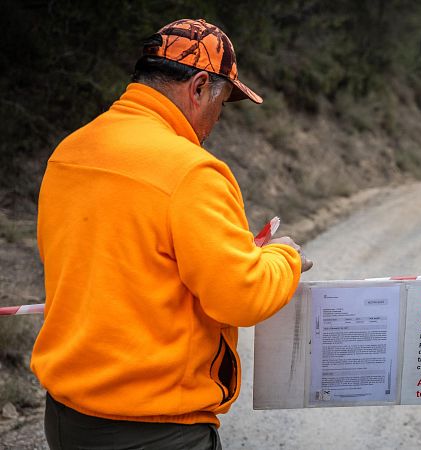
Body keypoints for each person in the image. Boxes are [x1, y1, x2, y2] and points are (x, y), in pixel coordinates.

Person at [31, 18, 312, 449]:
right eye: (222, 102)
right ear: (199, 87)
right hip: (155, 429)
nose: (217, 119)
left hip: (67, 420)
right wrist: (284, 258)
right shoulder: (191, 172)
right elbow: (241, 295)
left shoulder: (69, 152)